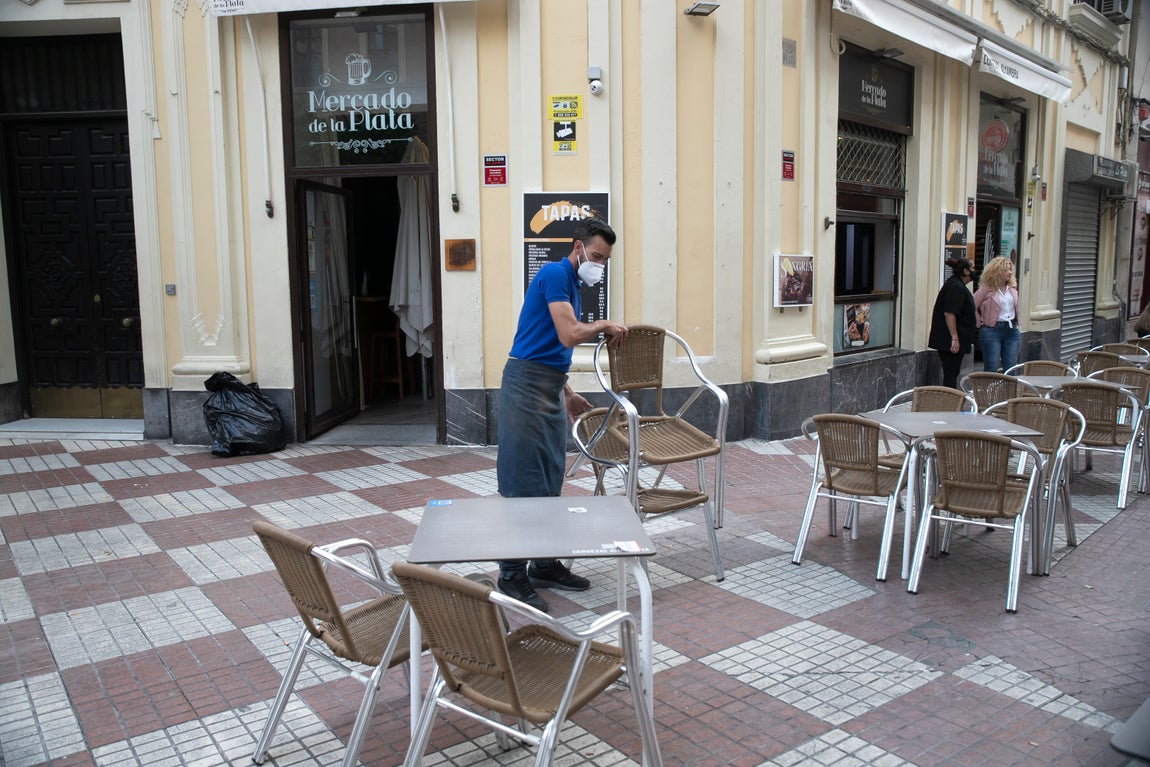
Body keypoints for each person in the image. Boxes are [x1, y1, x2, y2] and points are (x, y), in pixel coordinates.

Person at [495, 217, 628, 612]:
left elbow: (549, 343)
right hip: (523, 388)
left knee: (550, 475)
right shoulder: (554, 272)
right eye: (596, 256)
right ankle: (511, 575)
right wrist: (605, 324)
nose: (599, 265)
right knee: (523, 483)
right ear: (578, 247)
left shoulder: (570, 283)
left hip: (548, 385)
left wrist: (566, 391)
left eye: (605, 260)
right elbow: (569, 334)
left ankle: (544, 563)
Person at [928, 258, 976, 389]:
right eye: (972, 269)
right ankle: (949, 403)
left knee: (952, 372)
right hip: (949, 340)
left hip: (953, 339)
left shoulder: (957, 285)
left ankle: (950, 401)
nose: (974, 272)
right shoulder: (955, 286)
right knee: (950, 373)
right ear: (965, 271)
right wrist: (954, 338)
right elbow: (949, 313)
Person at [974, 255, 1021, 373]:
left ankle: (1009, 391)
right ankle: (989, 391)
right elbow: (971, 305)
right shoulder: (986, 288)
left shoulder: (1012, 289)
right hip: (991, 330)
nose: (1009, 272)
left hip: (1011, 329)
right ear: (997, 271)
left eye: (1011, 269)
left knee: (1011, 367)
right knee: (991, 366)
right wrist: (979, 321)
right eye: (1006, 269)